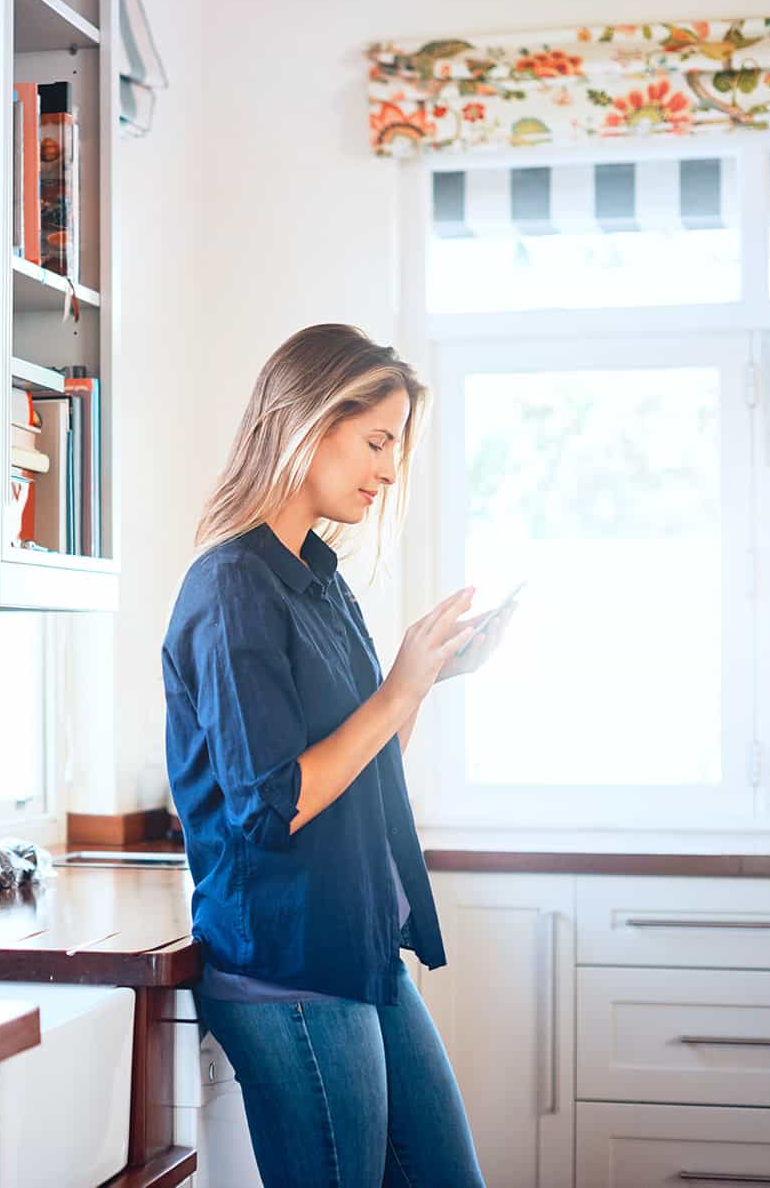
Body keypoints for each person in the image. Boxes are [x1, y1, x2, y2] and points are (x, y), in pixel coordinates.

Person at [162, 323, 514, 1187]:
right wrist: (395, 687)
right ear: (307, 422)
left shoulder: (316, 575)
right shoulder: (231, 587)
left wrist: (420, 682)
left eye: (394, 446)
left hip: (356, 947)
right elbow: (274, 801)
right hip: (289, 968)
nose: (389, 469)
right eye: (377, 441)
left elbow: (365, 768)